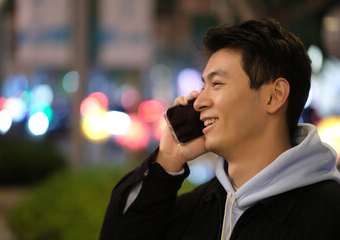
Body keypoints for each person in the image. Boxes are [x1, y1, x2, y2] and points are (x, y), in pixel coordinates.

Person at [99, 18, 340, 240]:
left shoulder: (328, 213)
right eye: (203, 86)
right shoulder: (194, 209)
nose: (199, 101)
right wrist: (168, 159)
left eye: (216, 84)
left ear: (273, 96)